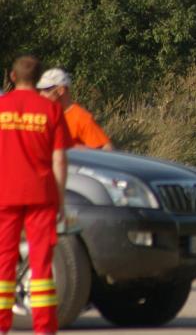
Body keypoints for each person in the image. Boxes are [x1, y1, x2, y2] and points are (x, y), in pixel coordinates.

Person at [0, 55, 70, 334]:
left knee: (4, 259)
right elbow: (59, 160)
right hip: (41, 195)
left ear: (12, 77)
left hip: (5, 195)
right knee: (41, 264)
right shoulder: (50, 110)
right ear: (39, 78)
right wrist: (61, 201)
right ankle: (44, 328)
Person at [36, 68, 113, 150]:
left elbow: (107, 148)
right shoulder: (43, 114)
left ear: (61, 90)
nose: (41, 94)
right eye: (40, 90)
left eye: (46, 90)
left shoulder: (80, 117)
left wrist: (79, 150)